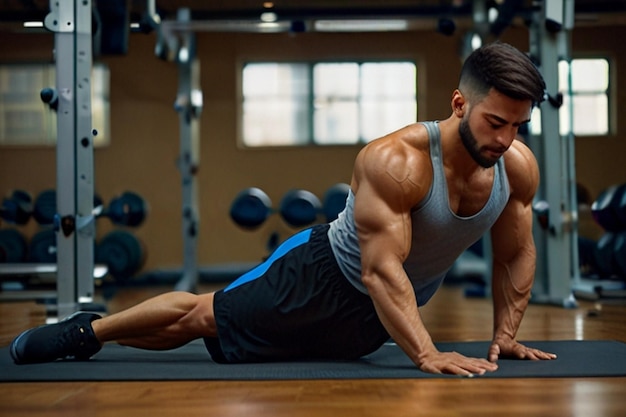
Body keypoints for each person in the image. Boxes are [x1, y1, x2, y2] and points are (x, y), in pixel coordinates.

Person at [10, 42, 557, 376]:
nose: (507, 138)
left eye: (518, 126)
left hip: (376, 321)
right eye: (495, 122)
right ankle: (88, 334)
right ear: (460, 104)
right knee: (206, 318)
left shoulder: (518, 169)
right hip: (320, 277)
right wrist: (424, 353)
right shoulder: (397, 161)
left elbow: (516, 255)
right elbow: (380, 269)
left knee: (232, 339)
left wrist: (505, 335)